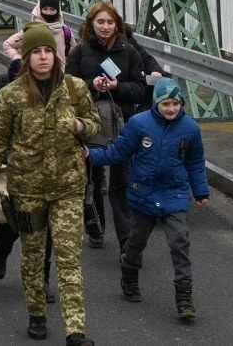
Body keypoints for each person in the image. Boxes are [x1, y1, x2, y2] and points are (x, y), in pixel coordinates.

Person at [0, 24, 101, 346]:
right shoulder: (9, 96)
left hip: (68, 186)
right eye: (36, 53)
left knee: (69, 256)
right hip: (27, 189)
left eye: (48, 52)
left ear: (56, 56)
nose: (43, 58)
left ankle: (75, 330)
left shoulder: (75, 89)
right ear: (26, 58)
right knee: (32, 254)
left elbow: (95, 124)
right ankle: (37, 313)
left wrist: (82, 125)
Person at [87, 78, 209, 323]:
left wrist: (201, 190)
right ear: (157, 104)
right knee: (136, 241)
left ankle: (184, 296)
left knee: (179, 241)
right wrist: (91, 156)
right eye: (166, 104)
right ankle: (129, 272)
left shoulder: (190, 129)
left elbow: (195, 162)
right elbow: (119, 152)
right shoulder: (139, 124)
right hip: (143, 192)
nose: (171, 109)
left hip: (174, 192)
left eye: (175, 104)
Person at [0, 59, 57, 301]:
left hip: (43, 167)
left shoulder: (53, 85)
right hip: (11, 165)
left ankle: (42, 280)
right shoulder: (0, 87)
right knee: (14, 218)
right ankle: (1, 252)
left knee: (44, 226)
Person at [65, 1, 150, 251]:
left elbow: (139, 89)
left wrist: (116, 87)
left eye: (110, 22)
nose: (105, 27)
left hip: (122, 123)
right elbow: (68, 87)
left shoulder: (129, 52)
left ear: (117, 25)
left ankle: (126, 238)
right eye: (100, 22)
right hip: (89, 122)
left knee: (121, 178)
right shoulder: (79, 52)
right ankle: (95, 226)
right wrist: (93, 84)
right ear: (92, 23)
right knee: (91, 175)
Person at [2, 0, 76, 61]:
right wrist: (18, 60)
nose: (48, 13)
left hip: (58, 73)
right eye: (45, 9)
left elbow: (75, 53)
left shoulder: (66, 32)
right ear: (40, 10)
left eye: (52, 9)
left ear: (58, 11)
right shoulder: (31, 30)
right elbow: (7, 44)